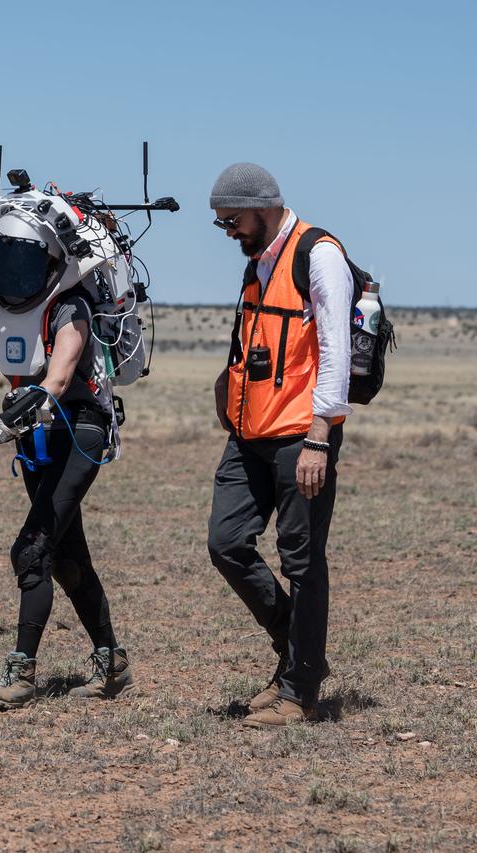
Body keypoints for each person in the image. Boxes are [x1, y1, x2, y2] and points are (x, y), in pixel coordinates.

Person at [206, 162, 353, 727]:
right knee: (227, 544)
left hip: (300, 437)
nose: (229, 233)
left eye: (233, 221)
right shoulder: (256, 263)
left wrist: (320, 437)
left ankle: (299, 693)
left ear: (263, 209)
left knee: (302, 561)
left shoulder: (318, 255)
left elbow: (336, 352)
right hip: (248, 434)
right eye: (222, 224)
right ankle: (300, 656)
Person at [0, 262, 132, 710]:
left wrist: (5, 420)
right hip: (35, 436)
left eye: (16, 256)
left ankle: (21, 675)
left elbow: (57, 378)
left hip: (79, 431)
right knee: (67, 556)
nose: (5, 271)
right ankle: (113, 662)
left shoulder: (68, 306)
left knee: (32, 549)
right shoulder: (0, 315)